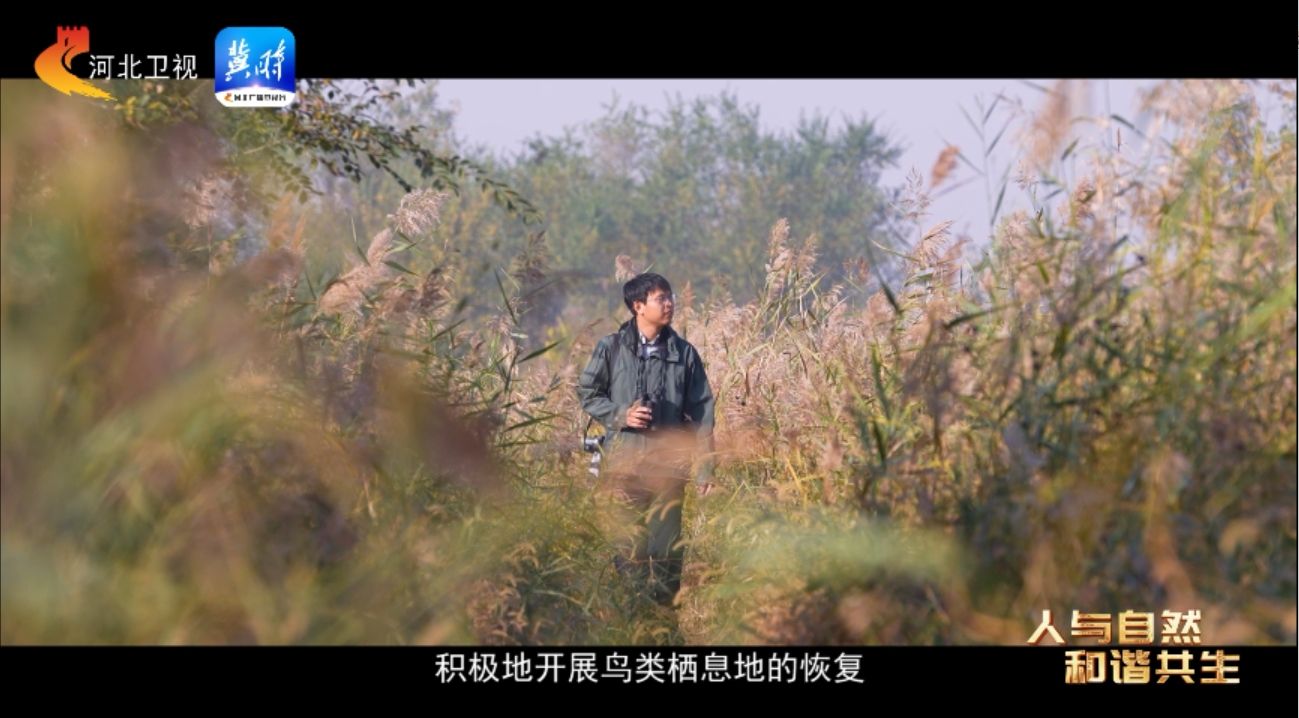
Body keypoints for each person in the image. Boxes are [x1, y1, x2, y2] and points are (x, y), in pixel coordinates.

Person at [576, 272, 715, 606]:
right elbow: (587, 392)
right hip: (624, 465)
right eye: (660, 298)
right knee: (629, 548)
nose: (669, 304)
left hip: (669, 468)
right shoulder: (611, 348)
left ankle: (664, 621)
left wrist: (705, 468)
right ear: (638, 306)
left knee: (667, 551)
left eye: (670, 297)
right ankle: (633, 618)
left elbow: (702, 412)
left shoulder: (684, 353)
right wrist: (620, 415)